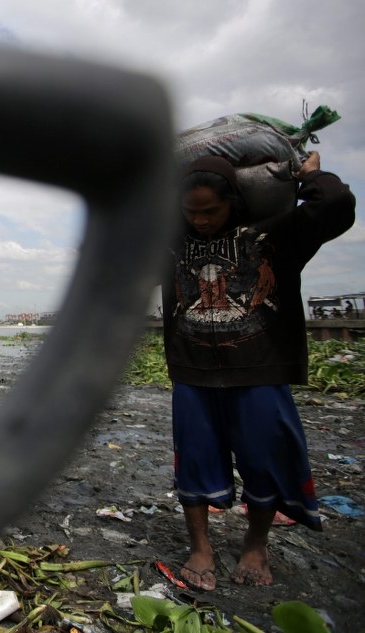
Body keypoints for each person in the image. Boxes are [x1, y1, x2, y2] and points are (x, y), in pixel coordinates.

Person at [162, 151, 355, 590]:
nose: (202, 220)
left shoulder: (273, 237)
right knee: (193, 463)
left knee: (264, 461)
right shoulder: (171, 244)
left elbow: (336, 207)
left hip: (261, 369)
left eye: (211, 210)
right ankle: (201, 548)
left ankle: (255, 544)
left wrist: (312, 175)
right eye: (191, 212)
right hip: (193, 373)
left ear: (234, 201)